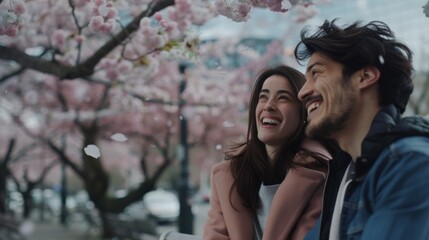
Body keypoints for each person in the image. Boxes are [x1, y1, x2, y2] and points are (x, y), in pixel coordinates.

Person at [294, 19, 429, 240]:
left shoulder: (410, 164)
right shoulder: (345, 175)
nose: (303, 92)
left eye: (316, 73)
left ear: (365, 77)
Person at [203, 65, 332, 240]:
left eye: (283, 98)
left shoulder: (321, 172)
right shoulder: (228, 174)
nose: (269, 106)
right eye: (263, 97)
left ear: (303, 112)